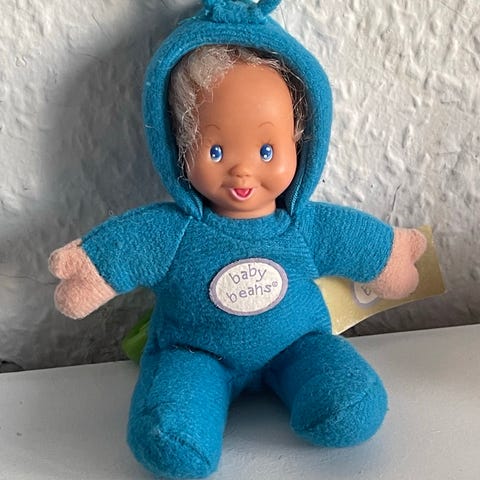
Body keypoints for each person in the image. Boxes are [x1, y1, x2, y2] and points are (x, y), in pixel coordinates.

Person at [49, 1, 426, 478]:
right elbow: (125, 251)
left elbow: (359, 244)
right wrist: (90, 272)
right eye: (215, 150)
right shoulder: (174, 231)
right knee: (172, 428)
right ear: (178, 147)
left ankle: (326, 392)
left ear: (301, 141)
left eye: (267, 150)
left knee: (349, 402)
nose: (243, 170)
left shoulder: (303, 225)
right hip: (196, 353)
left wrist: (393, 257)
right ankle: (183, 421)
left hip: (297, 344)